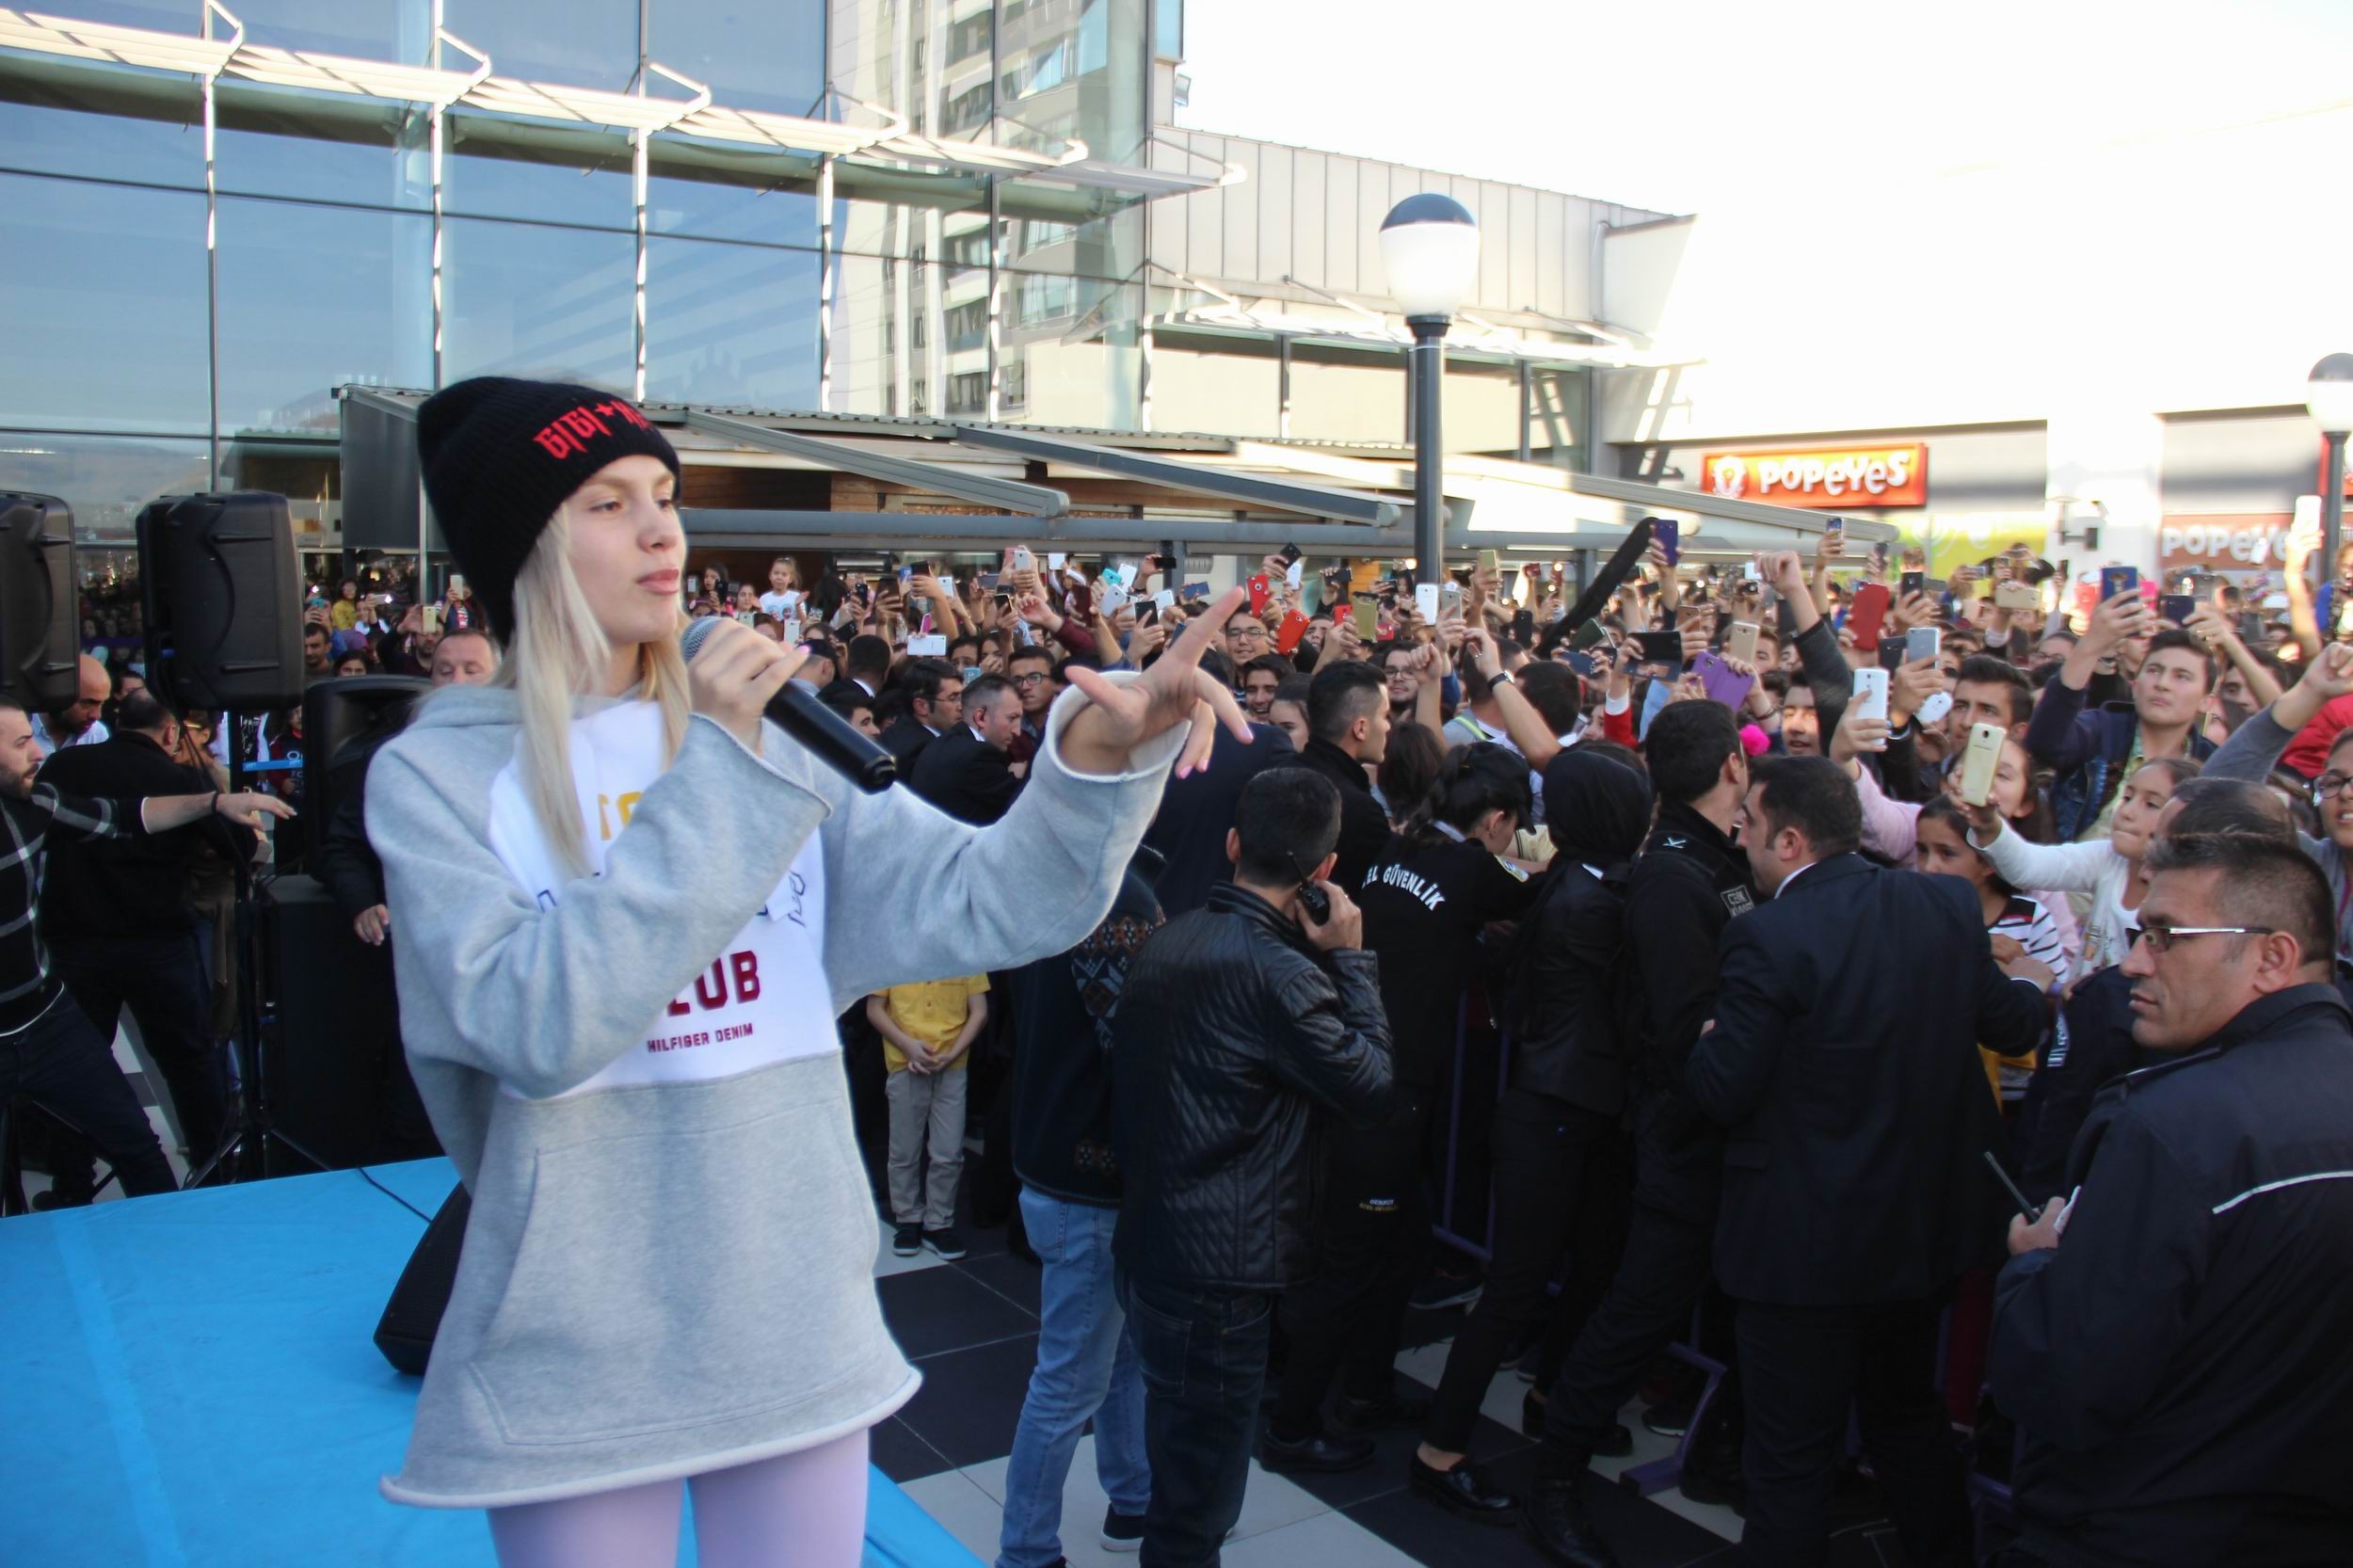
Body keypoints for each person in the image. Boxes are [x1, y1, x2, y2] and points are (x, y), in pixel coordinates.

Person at [367, 376, 1247, 1566]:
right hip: (577, 1339)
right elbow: (536, 1025)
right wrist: (722, 775)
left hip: (789, 1310)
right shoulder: (439, 778)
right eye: (606, 501)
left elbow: (994, 900)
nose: (660, 527)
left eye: (666, 496)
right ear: (518, 547)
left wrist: (1097, 753)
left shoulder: (774, 737)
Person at [1688, 755, 2050, 1566]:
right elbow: (2010, 1024)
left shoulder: (1766, 934)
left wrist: (1705, 1041)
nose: (1737, 832)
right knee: (1905, 1417)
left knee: (1790, 1457)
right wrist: (2035, 986)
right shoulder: (1944, 904)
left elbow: (1721, 1088)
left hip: (1801, 1250)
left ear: (1788, 840)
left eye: (1748, 818)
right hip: (1915, 1238)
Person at [1990, 831, 2353, 1567]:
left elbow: (2067, 1380)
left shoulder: (2170, 1126)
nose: (2132, 963)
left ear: (2272, 957)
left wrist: (2035, 1269)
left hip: (2138, 1526)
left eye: (2164, 937)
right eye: (2137, 933)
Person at [1112, 768, 1393, 1568]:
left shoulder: (1168, 935)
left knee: (1179, 1462)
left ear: (1236, 846)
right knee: (1198, 1500)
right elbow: (1371, 1086)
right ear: (1325, 872)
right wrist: (1353, 963)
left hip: (1153, 1242)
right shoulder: (1289, 973)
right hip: (1221, 1271)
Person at [1526, 701, 1757, 1566]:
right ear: (1733, 764)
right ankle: (1551, 1484)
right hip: (1681, 1137)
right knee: (1633, 1316)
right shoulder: (1667, 876)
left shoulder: (1717, 856)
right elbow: (1682, 1026)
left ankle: (1724, 1453)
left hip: (1725, 1140)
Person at [1270, 743, 1543, 1474]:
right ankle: (1292, 1423)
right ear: (1496, 818)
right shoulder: (1476, 868)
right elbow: (1538, 891)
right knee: (1351, 1262)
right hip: (1389, 1090)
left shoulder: (1396, 850)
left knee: (1400, 1249)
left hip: (1357, 1069)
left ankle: (1363, 1392)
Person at [1413, 745, 1650, 1520]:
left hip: (1569, 1108)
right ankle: (1440, 1447)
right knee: (1514, 1288)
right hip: (1553, 1111)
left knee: (1585, 1266)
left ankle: (1552, 1394)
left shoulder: (1573, 885)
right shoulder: (1593, 899)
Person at [0, 696, 289, 1205]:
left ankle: (99, 1203)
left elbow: (127, 815)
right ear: (171, 733)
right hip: (144, 951)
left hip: (52, 1005)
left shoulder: (37, 796)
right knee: (189, 1063)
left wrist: (215, 802)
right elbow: (231, 851)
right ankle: (210, 1170)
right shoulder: (162, 771)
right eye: (22, 742)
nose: (37, 753)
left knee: (133, 1140)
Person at [998, 857, 1164, 1568]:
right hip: (1086, 1179)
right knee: (1069, 1379)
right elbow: (1135, 1049)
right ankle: (1028, 1550)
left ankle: (1133, 1499)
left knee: (1116, 1357)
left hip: (1051, 1156)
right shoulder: (1115, 898)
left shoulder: (1043, 875)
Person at [1962, 758, 2201, 971]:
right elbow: (2028, 867)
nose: (2127, 811)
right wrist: (1988, 824)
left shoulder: (2185, 897)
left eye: (2151, 804)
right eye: (2127, 797)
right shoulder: (2108, 857)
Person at [2026, 600, 2216, 842]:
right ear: (2135, 686)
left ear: (2206, 702)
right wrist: (2090, 645)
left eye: (2182, 676)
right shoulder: (2101, 730)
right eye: (2154, 671)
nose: (2162, 684)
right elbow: (2045, 742)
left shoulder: (2211, 764)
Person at [866, 973, 986, 1259]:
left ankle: (939, 1222)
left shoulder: (965, 954)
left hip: (953, 1064)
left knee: (949, 1151)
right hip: (903, 1062)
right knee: (904, 1149)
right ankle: (908, 1219)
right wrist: (907, 1045)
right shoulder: (895, 953)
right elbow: (874, 1009)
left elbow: (979, 1011)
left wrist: (955, 1052)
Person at [1273, 659, 1391, 890]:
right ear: (1361, 728)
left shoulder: (1272, 776)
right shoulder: (1362, 813)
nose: (1388, 726)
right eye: (1385, 716)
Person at [909, 671, 1024, 825]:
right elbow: (1023, 805)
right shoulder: (978, 756)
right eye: (1012, 718)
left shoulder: (942, 743)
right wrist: (1025, 772)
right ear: (981, 717)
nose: (1017, 731)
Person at [877, 657, 962, 767]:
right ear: (921, 706)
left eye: (962, 697)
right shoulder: (921, 753)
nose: (961, 706)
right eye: (953, 698)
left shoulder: (900, 730)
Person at [32, 654, 112, 754]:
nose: (97, 715)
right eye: (87, 703)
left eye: (102, 704)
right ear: (58, 694)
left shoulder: (97, 734)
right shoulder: (18, 730)